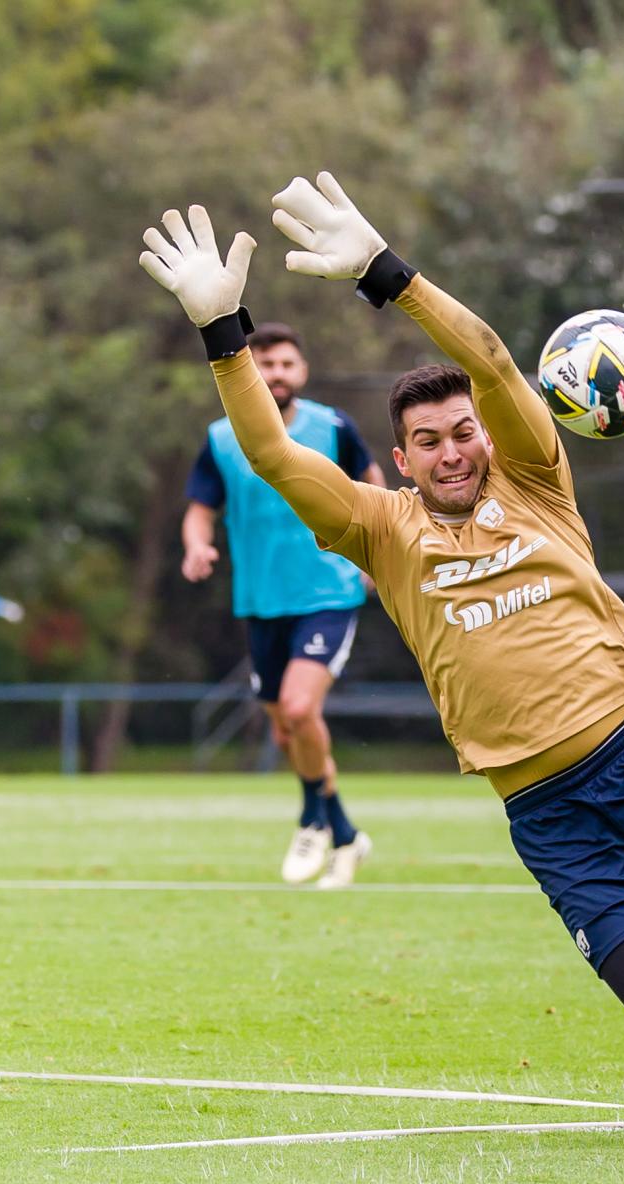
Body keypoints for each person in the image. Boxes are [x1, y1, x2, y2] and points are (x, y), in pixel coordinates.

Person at [139, 176, 624, 1105]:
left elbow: (497, 364)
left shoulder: (536, 482)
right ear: (401, 460)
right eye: (428, 442)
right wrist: (224, 333)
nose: (452, 450)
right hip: (548, 811)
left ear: (488, 441)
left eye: (463, 432)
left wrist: (389, 275)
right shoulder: (379, 530)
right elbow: (268, 457)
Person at [182, 321, 383, 889]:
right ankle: (344, 834)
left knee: (298, 710)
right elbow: (200, 506)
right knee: (287, 732)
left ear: (303, 371)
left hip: (329, 591)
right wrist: (198, 545)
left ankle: (311, 820)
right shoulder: (223, 438)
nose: (276, 374)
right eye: (265, 364)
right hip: (261, 600)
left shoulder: (333, 427)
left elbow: (373, 483)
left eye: (286, 364)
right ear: (249, 370)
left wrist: (376, 552)